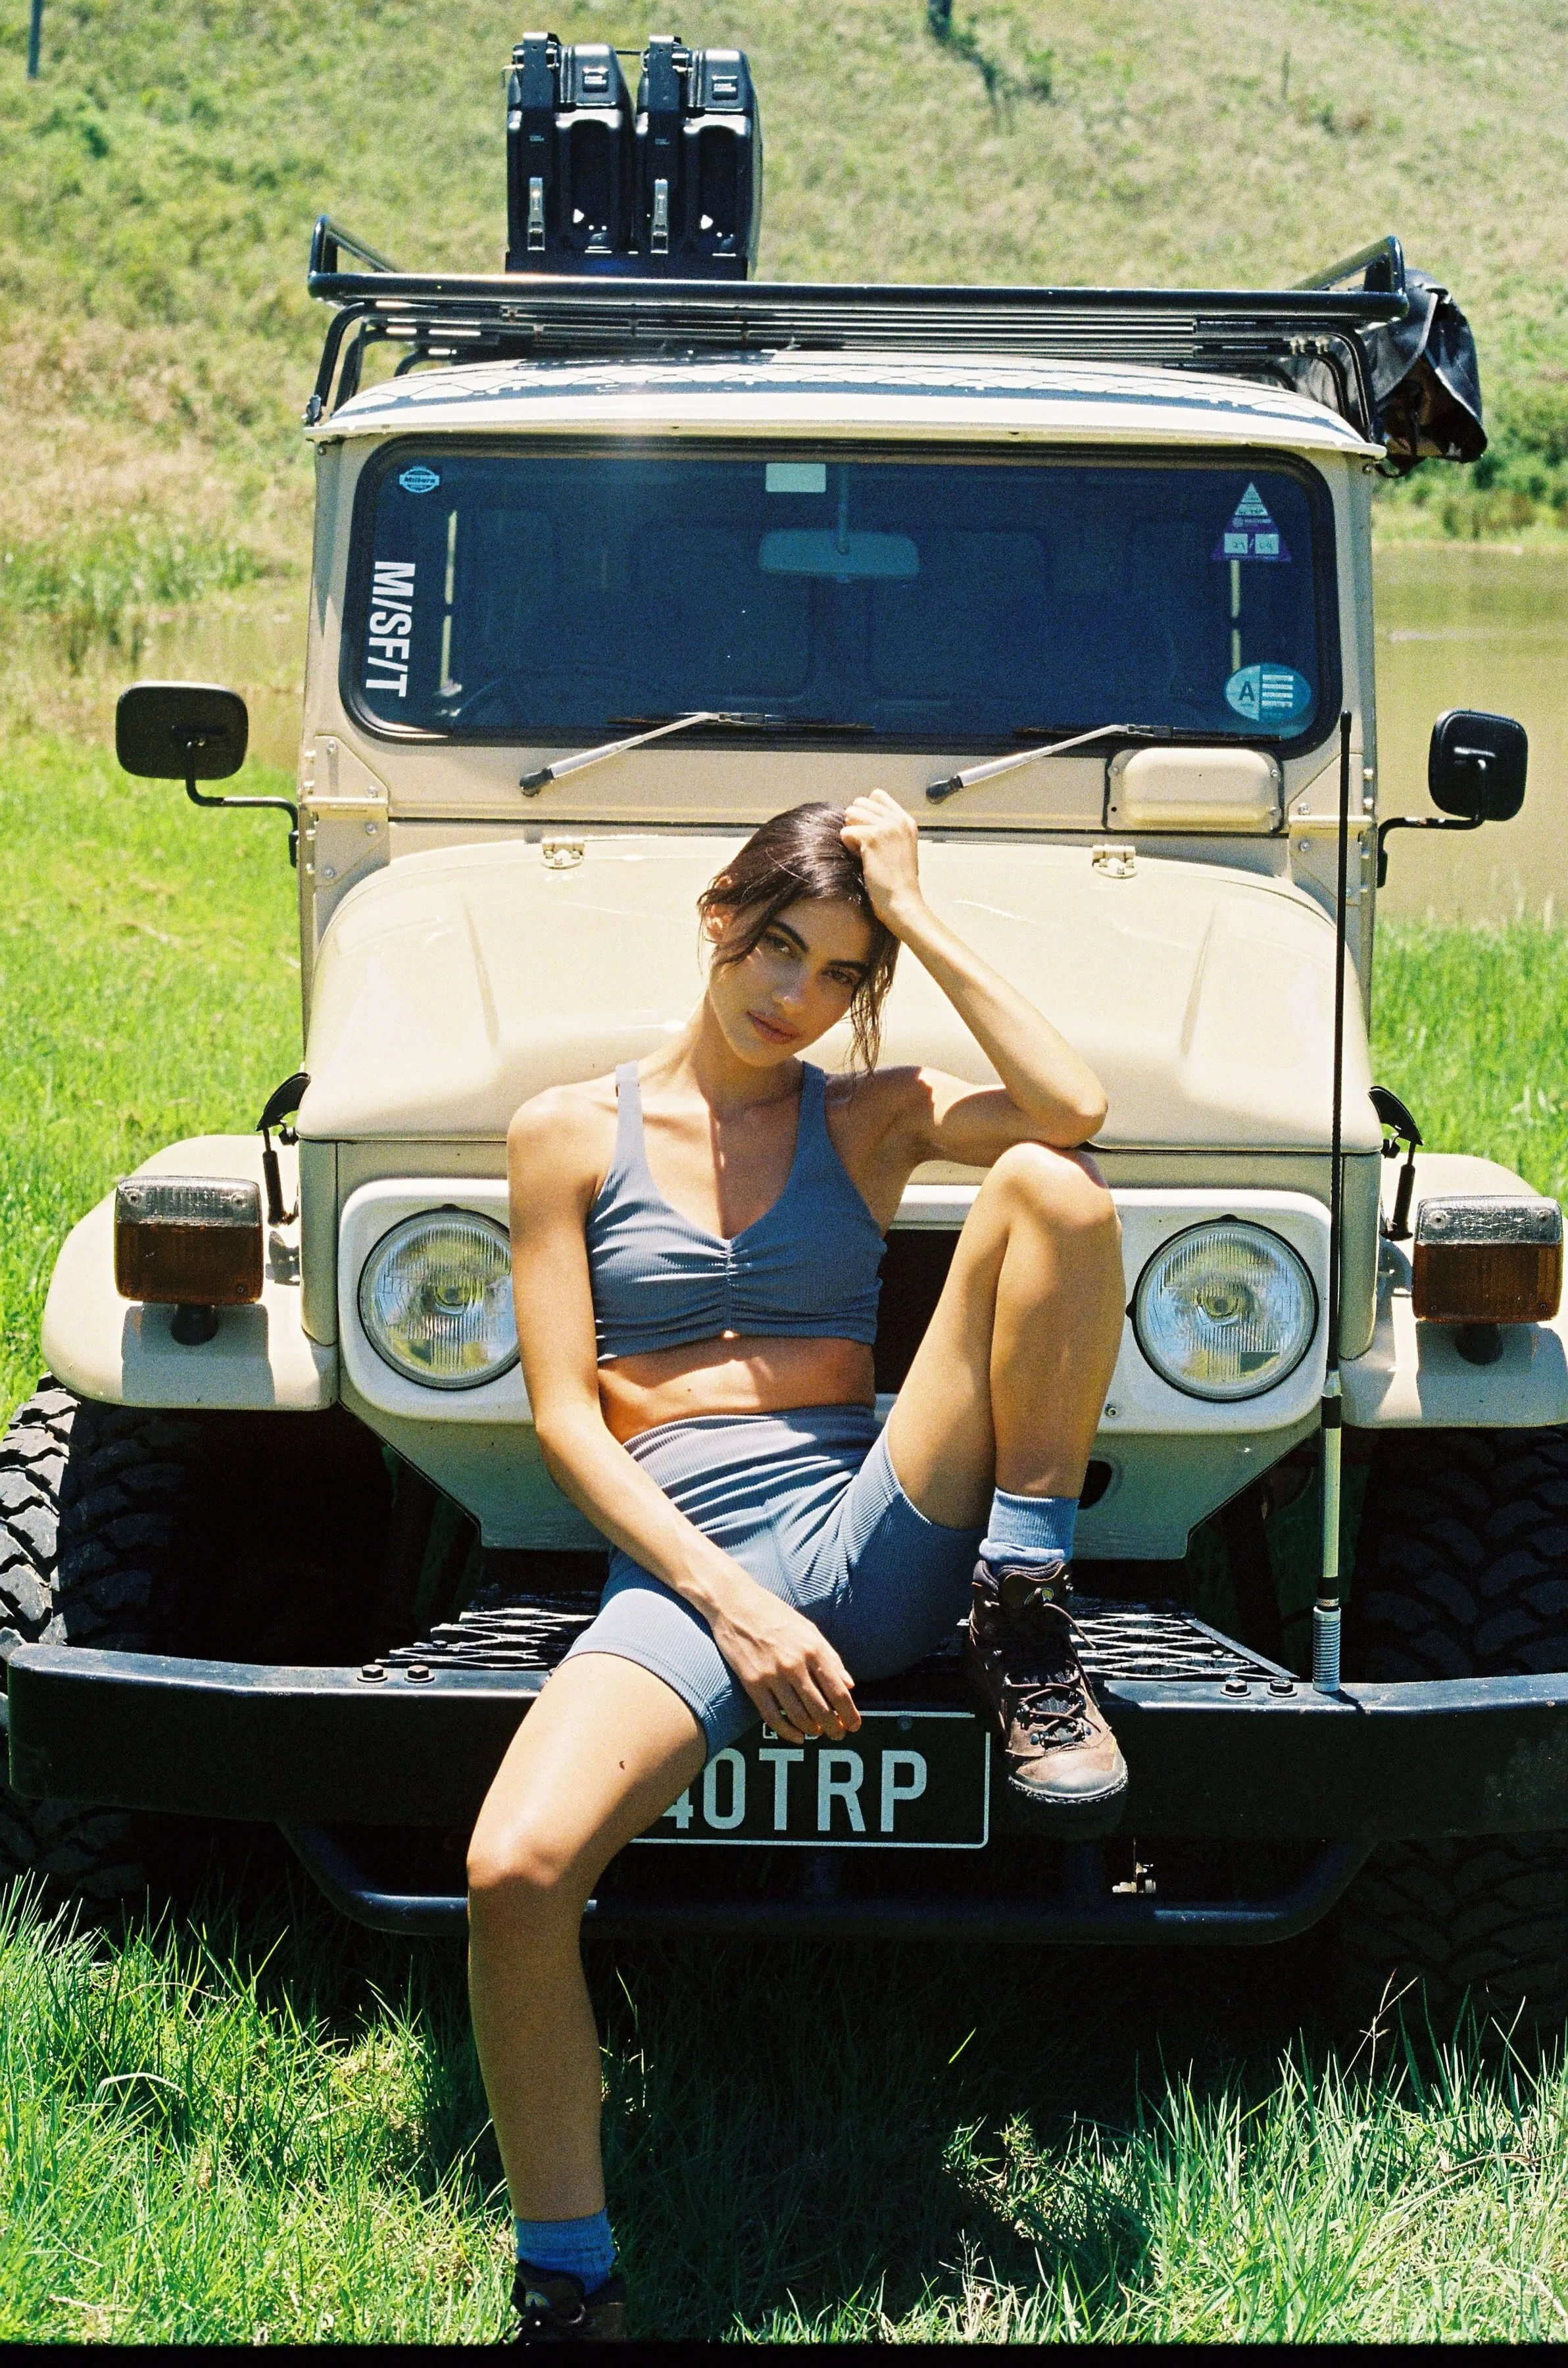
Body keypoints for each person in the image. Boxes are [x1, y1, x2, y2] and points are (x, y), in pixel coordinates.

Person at [470, 791, 1127, 2341]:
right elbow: (569, 1422)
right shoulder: (568, 1132)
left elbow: (1072, 1104)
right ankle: (568, 2283)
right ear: (716, 919)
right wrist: (728, 1599)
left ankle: (1020, 1604)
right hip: (687, 1562)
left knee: (1054, 1187)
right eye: (777, 948)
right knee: (513, 1873)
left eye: (837, 972)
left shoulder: (866, 1116)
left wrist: (920, 912)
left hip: (868, 1520)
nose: (795, 997)